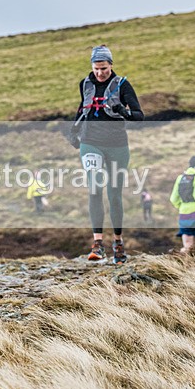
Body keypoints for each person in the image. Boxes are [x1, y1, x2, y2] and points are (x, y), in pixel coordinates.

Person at [67, 45, 144, 264]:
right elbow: (83, 109)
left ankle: (118, 242)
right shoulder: (85, 84)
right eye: (96, 68)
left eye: (104, 68)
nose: (100, 73)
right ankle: (97, 244)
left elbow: (139, 116)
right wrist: (74, 131)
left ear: (111, 65)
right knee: (94, 188)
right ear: (92, 66)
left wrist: (123, 111)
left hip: (117, 146)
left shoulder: (122, 85)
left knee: (114, 194)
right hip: (91, 143)